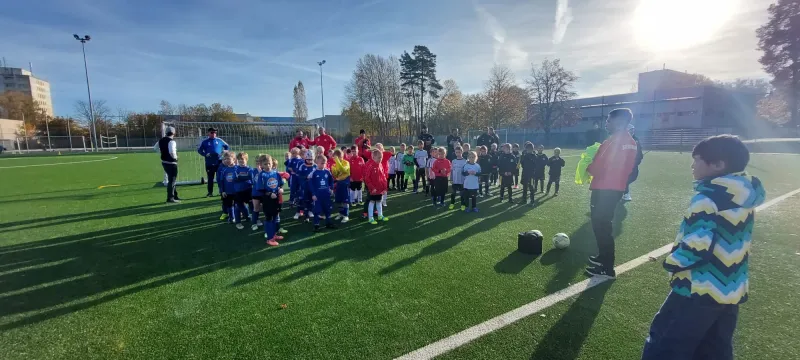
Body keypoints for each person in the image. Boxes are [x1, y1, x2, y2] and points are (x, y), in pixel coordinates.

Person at [641, 135, 765, 360]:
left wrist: (671, 263)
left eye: (697, 160)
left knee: (665, 344)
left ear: (718, 165)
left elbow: (697, 247)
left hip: (697, 289)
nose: (692, 165)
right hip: (730, 289)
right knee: (714, 349)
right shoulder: (745, 195)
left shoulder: (707, 199)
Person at [585, 108, 640, 278]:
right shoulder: (630, 141)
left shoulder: (613, 142)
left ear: (618, 122)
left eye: (609, 120)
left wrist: (588, 166)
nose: (606, 123)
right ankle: (603, 258)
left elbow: (600, 165)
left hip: (604, 188)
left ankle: (606, 267)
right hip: (616, 187)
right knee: (603, 224)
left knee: (601, 225)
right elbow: (630, 166)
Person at [254, 154, 284, 246]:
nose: (268, 166)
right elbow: (260, 189)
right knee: (269, 218)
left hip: (276, 199)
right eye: (265, 164)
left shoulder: (275, 173)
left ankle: (274, 235)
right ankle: (269, 239)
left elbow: (280, 183)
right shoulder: (262, 175)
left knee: (275, 217)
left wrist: (279, 189)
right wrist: (270, 194)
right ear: (261, 165)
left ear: (272, 163)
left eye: (269, 163)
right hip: (267, 200)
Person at [197, 127, 230, 197]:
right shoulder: (204, 141)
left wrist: (224, 151)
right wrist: (205, 154)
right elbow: (199, 150)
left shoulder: (219, 140)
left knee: (220, 177)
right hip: (209, 162)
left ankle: (222, 191)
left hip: (219, 162)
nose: (214, 134)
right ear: (208, 133)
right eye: (212, 132)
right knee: (210, 178)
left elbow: (227, 146)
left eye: (215, 132)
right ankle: (210, 192)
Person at [309, 156, 336, 232]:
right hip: (318, 196)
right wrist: (313, 194)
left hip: (326, 194)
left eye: (324, 163)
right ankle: (316, 225)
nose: (323, 165)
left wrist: (331, 188)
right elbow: (311, 184)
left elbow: (331, 181)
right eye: (321, 163)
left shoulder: (327, 171)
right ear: (317, 163)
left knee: (328, 209)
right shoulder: (314, 173)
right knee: (317, 210)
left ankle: (328, 222)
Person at [155, 126, 179, 203]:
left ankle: (175, 195)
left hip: (164, 162)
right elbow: (172, 152)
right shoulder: (172, 141)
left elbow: (155, 148)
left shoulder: (161, 140)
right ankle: (170, 198)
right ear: (174, 133)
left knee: (171, 179)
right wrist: (175, 158)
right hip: (171, 163)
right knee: (172, 180)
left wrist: (162, 153)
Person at [364, 149, 389, 224]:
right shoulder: (371, 166)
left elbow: (383, 178)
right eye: (378, 157)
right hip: (373, 190)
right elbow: (367, 178)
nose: (380, 159)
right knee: (372, 202)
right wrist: (372, 188)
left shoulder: (381, 165)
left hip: (380, 189)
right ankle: (370, 218)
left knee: (379, 201)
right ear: (373, 157)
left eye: (381, 157)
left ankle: (380, 215)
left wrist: (385, 188)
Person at [623, 124, 644, 202]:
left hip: (634, 164)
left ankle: (623, 191)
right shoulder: (623, 140)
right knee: (626, 179)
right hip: (624, 165)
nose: (632, 132)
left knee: (632, 177)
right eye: (630, 130)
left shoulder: (636, 139)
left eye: (633, 130)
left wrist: (639, 159)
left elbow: (639, 151)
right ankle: (625, 193)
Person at [232, 152, 254, 230]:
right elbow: (235, 178)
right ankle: (238, 222)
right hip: (238, 190)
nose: (241, 161)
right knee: (238, 206)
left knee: (252, 205)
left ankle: (253, 219)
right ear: (237, 160)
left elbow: (251, 178)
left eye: (243, 159)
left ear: (246, 160)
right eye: (240, 159)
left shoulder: (249, 168)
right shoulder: (235, 168)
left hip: (248, 190)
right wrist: (245, 177)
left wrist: (241, 177)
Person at [294, 150, 316, 221]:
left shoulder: (315, 166)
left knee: (311, 199)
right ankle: (298, 212)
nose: (310, 161)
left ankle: (310, 211)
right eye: (308, 159)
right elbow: (299, 175)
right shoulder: (302, 166)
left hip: (312, 187)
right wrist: (306, 177)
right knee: (301, 199)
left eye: (311, 159)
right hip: (303, 186)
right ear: (305, 158)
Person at [330, 149, 351, 224]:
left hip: (345, 185)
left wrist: (337, 161)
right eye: (334, 158)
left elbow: (343, 170)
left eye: (336, 157)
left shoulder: (346, 163)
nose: (335, 159)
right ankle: (341, 213)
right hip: (338, 184)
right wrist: (334, 170)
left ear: (341, 157)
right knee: (339, 201)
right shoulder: (334, 165)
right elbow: (335, 175)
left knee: (345, 201)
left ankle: (346, 215)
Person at [216, 152, 238, 223]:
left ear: (234, 159)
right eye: (224, 159)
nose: (226, 160)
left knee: (239, 203)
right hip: (227, 191)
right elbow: (220, 180)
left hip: (237, 191)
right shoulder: (223, 169)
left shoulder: (237, 168)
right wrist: (222, 190)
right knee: (228, 203)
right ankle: (229, 216)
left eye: (228, 158)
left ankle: (242, 214)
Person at [249, 155, 266, 231]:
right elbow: (253, 181)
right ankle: (254, 223)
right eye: (257, 162)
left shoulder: (266, 170)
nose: (258, 163)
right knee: (256, 207)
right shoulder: (253, 171)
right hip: (256, 192)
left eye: (260, 162)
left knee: (264, 207)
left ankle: (266, 222)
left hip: (264, 193)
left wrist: (261, 172)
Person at [449, 146, 467, 210]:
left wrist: (466, 180)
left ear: (462, 152)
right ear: (455, 153)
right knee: (453, 193)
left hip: (462, 181)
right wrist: (451, 178)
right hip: (455, 180)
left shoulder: (465, 161)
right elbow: (451, 170)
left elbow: (466, 171)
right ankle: (452, 203)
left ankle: (463, 204)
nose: (458, 154)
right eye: (456, 152)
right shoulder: (453, 161)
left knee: (462, 194)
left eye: (459, 152)